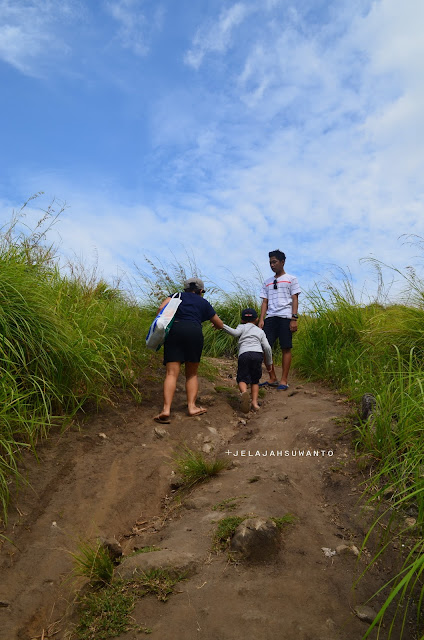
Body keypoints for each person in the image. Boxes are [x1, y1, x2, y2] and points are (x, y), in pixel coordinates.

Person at [154, 277, 224, 424]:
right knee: (192, 374)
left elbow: (161, 309)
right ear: (200, 291)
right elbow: (219, 324)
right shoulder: (203, 302)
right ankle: (192, 407)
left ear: (185, 288)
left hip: (175, 330)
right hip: (194, 332)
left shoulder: (176, 296)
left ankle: (166, 409)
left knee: (171, 373)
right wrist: (215, 326)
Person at [259, 250, 301, 390]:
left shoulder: (291, 279)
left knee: (286, 347)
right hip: (270, 317)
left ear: (283, 262)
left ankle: (284, 380)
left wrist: (293, 318)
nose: (272, 265)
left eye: (274, 262)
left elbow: (295, 299)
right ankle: (272, 378)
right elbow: (265, 302)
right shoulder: (267, 282)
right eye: (270, 262)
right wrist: (261, 319)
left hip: (285, 317)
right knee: (265, 347)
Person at [222, 308, 273, 413]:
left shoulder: (242, 327)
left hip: (244, 354)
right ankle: (254, 403)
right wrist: (269, 362)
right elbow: (267, 348)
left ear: (242, 319)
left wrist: (222, 326)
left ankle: (244, 393)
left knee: (242, 378)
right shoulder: (260, 331)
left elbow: (235, 333)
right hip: (257, 354)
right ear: (257, 319)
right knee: (255, 380)